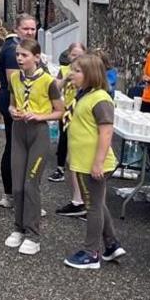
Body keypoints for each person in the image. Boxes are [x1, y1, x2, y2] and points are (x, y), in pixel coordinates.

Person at [63, 53, 126, 270]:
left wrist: (98, 163)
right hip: (83, 160)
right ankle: (111, 244)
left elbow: (106, 133)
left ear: (91, 74)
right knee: (98, 203)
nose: (73, 74)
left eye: (78, 71)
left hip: (93, 163)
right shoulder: (85, 94)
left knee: (92, 206)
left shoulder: (100, 99)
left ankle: (91, 252)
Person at [5, 38, 65, 256]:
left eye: (24, 55)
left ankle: (33, 234)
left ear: (36, 58)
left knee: (31, 184)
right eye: (18, 55)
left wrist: (40, 115)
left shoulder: (48, 81)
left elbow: (60, 111)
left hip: (38, 132)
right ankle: (18, 228)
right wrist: (12, 110)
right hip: (19, 130)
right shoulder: (14, 78)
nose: (20, 58)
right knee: (18, 185)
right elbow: (13, 102)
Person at [0, 14, 36, 208]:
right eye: (26, 29)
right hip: (12, 100)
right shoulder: (14, 51)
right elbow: (15, 83)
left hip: (14, 99)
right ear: (17, 28)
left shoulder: (19, 47)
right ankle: (11, 194)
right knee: (15, 147)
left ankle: (12, 194)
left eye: (33, 29)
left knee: (15, 146)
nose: (30, 32)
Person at [52, 44, 88, 210]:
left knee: (76, 157)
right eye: (73, 54)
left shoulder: (86, 73)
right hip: (67, 112)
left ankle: (80, 199)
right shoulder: (65, 70)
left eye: (79, 55)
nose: (76, 58)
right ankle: (77, 197)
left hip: (79, 115)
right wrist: (65, 79)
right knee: (67, 149)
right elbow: (55, 88)